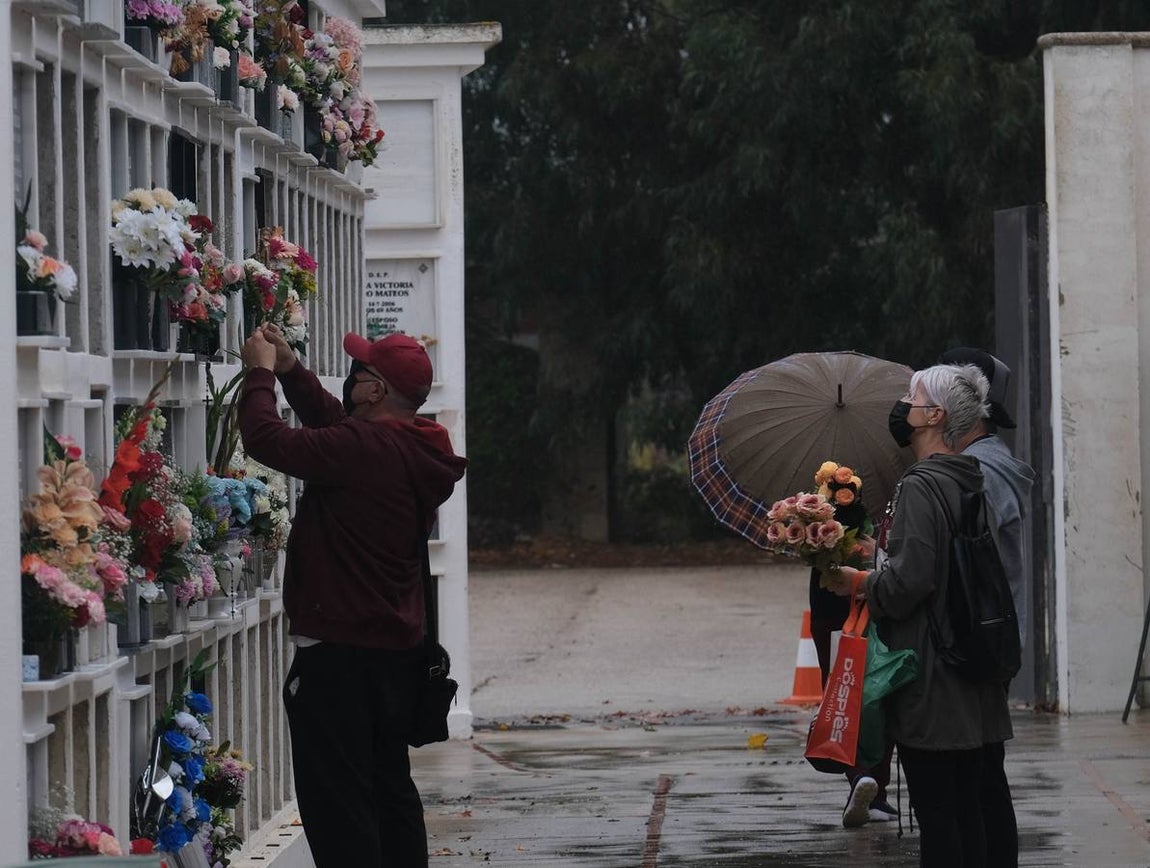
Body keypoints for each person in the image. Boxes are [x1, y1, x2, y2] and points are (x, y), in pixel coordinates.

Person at [238, 324, 467, 867]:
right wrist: (293, 370)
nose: (350, 379)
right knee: (389, 790)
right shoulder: (415, 445)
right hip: (393, 653)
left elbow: (266, 440)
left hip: (339, 658)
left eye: (359, 372)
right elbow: (337, 425)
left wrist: (260, 373)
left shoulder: (362, 446)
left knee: (338, 807)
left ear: (375, 391)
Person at [828, 364, 1015, 868]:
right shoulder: (967, 477)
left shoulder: (920, 486)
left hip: (934, 683)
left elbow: (911, 583)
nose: (902, 406)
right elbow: (941, 564)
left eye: (911, 398)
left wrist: (859, 581)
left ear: (934, 415)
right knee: (968, 812)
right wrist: (880, 554)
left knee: (939, 817)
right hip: (971, 674)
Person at [939, 348, 1033, 868]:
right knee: (981, 775)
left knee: (977, 780)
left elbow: (970, 567)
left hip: (978, 644)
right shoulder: (981, 466)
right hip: (987, 642)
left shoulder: (981, 473)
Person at [806, 466, 895, 828]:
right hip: (853, 617)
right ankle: (868, 783)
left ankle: (864, 780)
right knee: (871, 697)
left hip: (844, 617)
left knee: (843, 697)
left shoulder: (869, 524)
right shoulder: (822, 521)